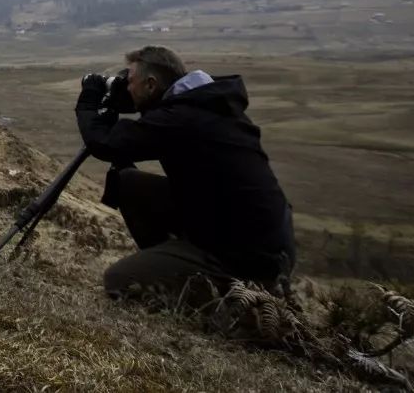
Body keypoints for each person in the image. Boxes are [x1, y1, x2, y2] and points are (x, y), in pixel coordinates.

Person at [74, 45, 295, 300]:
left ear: (151, 84)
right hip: (254, 232)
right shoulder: (205, 102)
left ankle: (214, 287)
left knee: (120, 280)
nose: (126, 87)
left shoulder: (180, 118)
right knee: (128, 182)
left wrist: (90, 99)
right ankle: (177, 262)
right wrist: (130, 100)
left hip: (248, 254)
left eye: (131, 81)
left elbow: (105, 144)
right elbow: (148, 125)